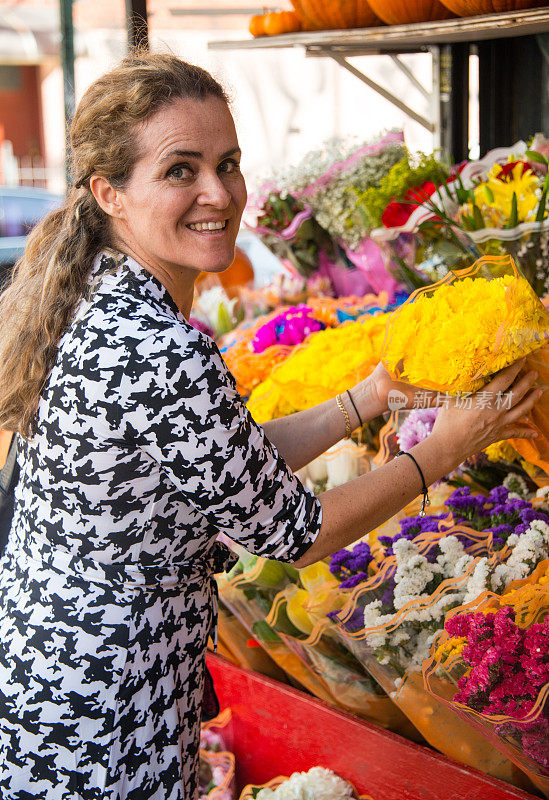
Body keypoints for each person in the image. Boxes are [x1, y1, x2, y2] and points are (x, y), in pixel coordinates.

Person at [0, 51, 540, 800]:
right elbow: (294, 531)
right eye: (179, 170)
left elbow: (228, 469)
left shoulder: (101, 298)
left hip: (58, 681)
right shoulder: (157, 346)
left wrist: (370, 397)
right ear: (109, 193)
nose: (217, 194)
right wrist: (446, 448)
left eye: (227, 163)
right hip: (105, 712)